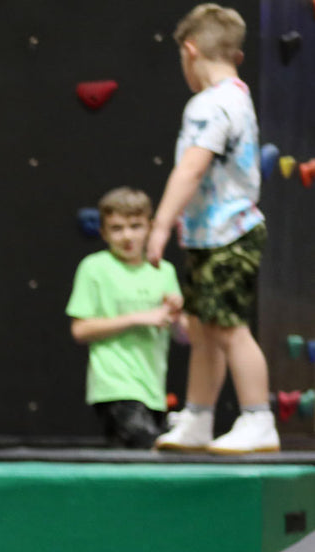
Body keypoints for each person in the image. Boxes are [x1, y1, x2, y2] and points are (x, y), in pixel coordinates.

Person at [148, 3, 275, 454]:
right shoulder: (234, 97)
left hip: (229, 234)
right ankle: (199, 418)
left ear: (190, 50)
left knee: (227, 328)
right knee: (202, 328)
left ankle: (258, 417)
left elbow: (191, 168)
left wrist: (160, 224)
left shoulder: (211, 103)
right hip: (209, 236)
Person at [66, 188, 183, 449]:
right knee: (146, 453)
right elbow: (80, 330)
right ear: (104, 232)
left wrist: (177, 316)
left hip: (155, 391)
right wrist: (137, 318)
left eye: (135, 226)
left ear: (150, 227)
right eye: (117, 229)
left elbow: (183, 336)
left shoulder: (164, 271)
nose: (127, 236)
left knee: (154, 468)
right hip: (115, 389)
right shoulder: (94, 267)